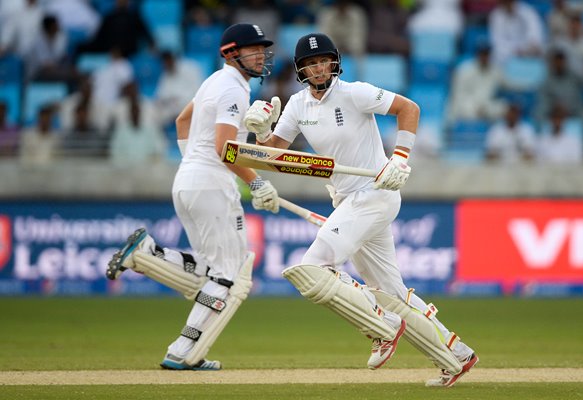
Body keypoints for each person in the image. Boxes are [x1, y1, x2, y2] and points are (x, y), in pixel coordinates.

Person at [243, 33, 478, 387]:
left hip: (376, 193)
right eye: (310, 63)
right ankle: (455, 354)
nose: (318, 68)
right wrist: (261, 134)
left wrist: (399, 158)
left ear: (334, 62)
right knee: (390, 292)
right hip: (347, 199)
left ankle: (382, 326)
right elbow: (274, 157)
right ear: (301, 70)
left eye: (323, 60)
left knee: (313, 266)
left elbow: (408, 108)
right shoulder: (296, 106)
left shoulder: (354, 92)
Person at [105, 23, 280, 371]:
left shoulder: (213, 81)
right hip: (211, 186)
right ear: (231, 53)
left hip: (189, 181)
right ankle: (183, 351)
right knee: (232, 277)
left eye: (262, 49)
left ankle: (151, 260)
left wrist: (192, 164)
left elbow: (183, 120)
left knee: (215, 274)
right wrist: (257, 182)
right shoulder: (233, 89)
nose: (260, 55)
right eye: (253, 49)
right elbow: (224, 148)